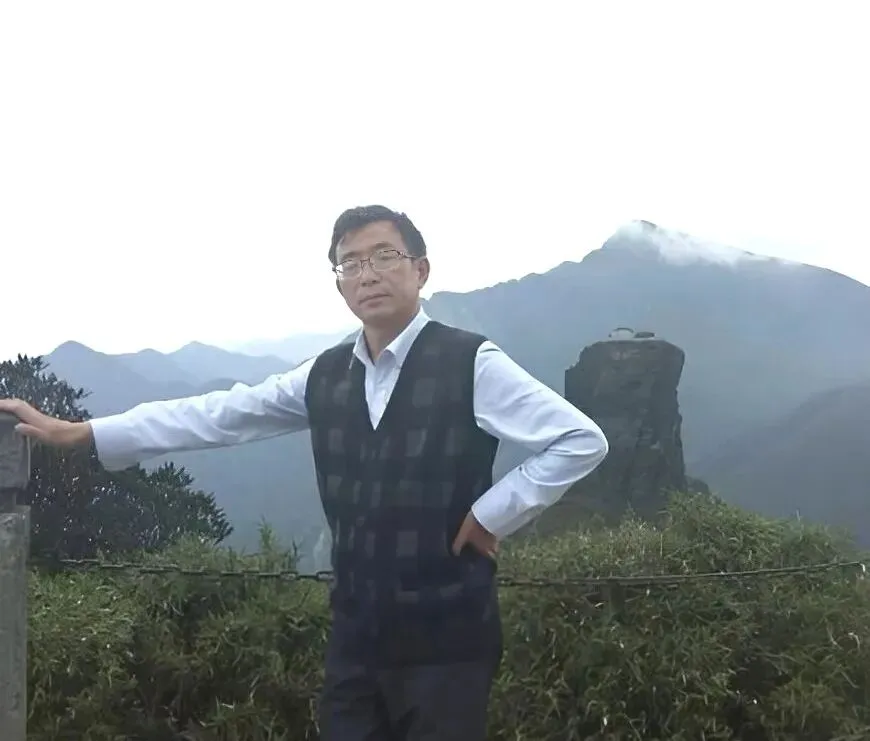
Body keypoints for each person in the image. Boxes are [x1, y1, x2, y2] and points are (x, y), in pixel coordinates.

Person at [0, 205, 609, 740]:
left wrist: (491, 513)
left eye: (385, 256)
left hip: (447, 641)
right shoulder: (324, 375)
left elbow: (579, 439)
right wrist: (85, 432)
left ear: (421, 270)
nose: (367, 274)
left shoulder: (470, 361)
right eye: (350, 264)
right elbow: (219, 415)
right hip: (356, 638)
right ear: (339, 284)